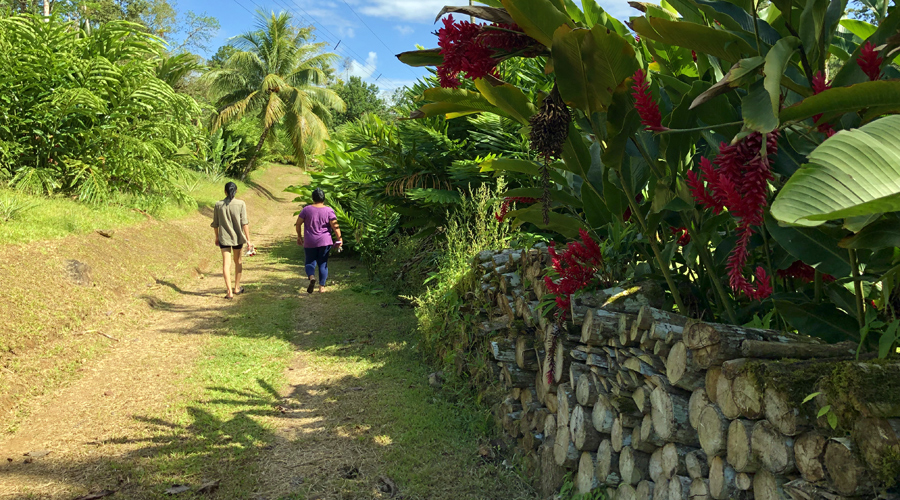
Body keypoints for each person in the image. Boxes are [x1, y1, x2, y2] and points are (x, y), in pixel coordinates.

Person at [296, 188, 342, 293]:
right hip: (325, 241)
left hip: (310, 241)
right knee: (323, 263)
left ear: (313, 198)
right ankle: (322, 287)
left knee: (309, 262)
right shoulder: (329, 210)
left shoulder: (306, 210)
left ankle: (312, 277)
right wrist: (340, 238)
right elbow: (335, 226)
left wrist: (299, 236)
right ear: (324, 198)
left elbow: (298, 223)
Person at [211, 182, 252, 299]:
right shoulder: (241, 204)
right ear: (236, 191)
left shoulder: (218, 205)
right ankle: (237, 288)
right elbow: (244, 223)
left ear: (225, 191)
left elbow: (215, 224)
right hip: (238, 237)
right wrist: (248, 240)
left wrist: (216, 237)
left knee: (226, 264)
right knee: (238, 261)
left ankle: (229, 292)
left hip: (224, 238)